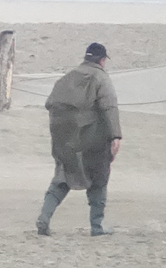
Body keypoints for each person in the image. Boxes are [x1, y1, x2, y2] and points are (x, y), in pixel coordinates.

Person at [37, 41, 123, 236]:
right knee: (98, 179)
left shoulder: (68, 76)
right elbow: (109, 106)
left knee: (62, 178)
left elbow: (50, 104)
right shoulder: (101, 78)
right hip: (92, 139)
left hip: (65, 138)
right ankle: (96, 227)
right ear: (102, 60)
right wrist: (115, 135)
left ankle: (44, 217)